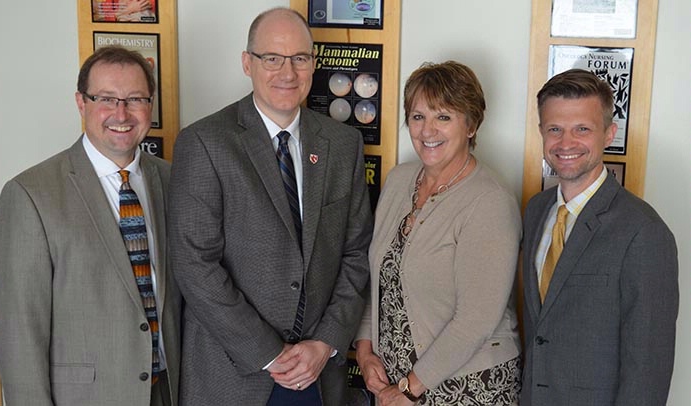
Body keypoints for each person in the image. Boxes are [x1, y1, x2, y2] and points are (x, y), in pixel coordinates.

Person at [168, 7, 372, 406]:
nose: (288, 72)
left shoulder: (343, 145)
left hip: (318, 373)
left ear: (313, 64)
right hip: (234, 373)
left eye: (300, 58)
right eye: (272, 58)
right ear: (248, 63)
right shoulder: (205, 143)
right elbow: (195, 265)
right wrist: (269, 353)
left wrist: (327, 342)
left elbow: (356, 253)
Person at [0, 46, 181, 406]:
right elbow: (19, 333)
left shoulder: (174, 183)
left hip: (168, 390)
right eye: (106, 98)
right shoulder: (30, 195)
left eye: (135, 99)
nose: (121, 113)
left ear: (150, 106)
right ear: (81, 102)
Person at [354, 61, 522, 405]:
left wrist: (408, 389)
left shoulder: (490, 201)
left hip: (469, 385)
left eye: (443, 117)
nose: (427, 130)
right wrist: (365, 349)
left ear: (471, 124)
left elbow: (476, 320)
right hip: (397, 383)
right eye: (418, 117)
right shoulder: (399, 180)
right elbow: (379, 278)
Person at [520, 69, 679, 405]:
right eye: (555, 129)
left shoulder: (644, 232)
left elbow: (648, 369)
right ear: (541, 133)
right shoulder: (535, 211)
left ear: (609, 133)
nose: (566, 143)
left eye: (582, 129)